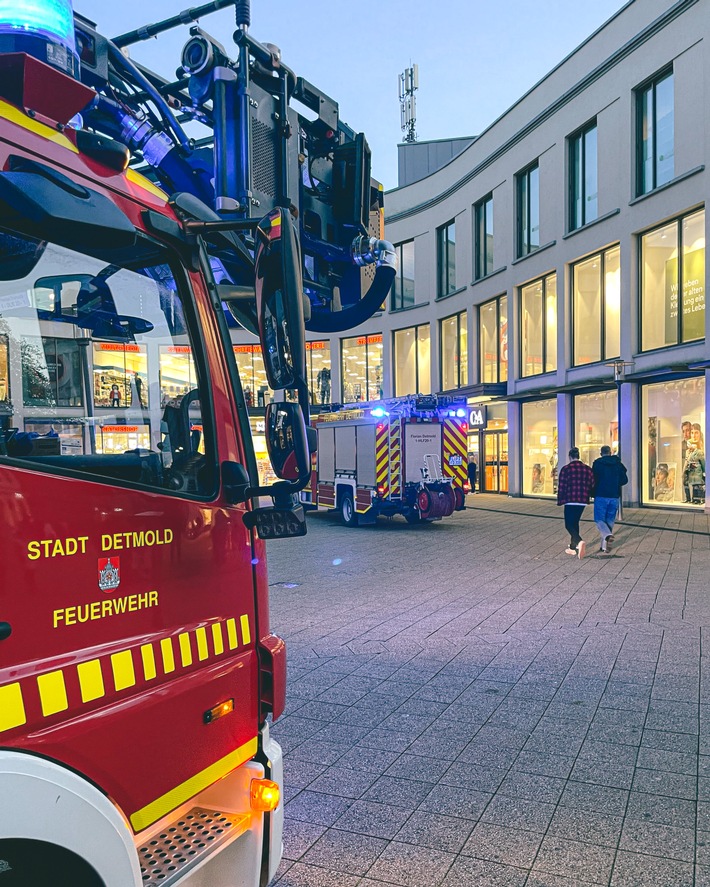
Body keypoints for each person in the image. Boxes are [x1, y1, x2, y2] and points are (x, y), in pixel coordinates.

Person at [557, 447, 595, 559]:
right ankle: (573, 548)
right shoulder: (587, 469)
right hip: (582, 500)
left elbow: (562, 486)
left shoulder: (566, 469)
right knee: (575, 522)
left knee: (568, 524)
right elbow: (592, 483)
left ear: (570, 457)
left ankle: (579, 542)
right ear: (579, 456)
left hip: (570, 499)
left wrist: (560, 500)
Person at [592, 445, 628, 553]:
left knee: (599, 519)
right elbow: (624, 479)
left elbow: (593, 479)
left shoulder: (597, 464)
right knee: (609, 520)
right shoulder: (617, 463)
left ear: (601, 453)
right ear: (610, 452)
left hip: (601, 495)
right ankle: (604, 546)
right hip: (614, 496)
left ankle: (607, 535)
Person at [683, 424, 705, 504]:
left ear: (700, 433)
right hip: (690, 471)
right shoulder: (689, 448)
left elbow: (703, 462)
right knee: (688, 484)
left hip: (698, 472)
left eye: (696, 433)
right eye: (692, 433)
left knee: (697, 485)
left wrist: (704, 472)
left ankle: (697, 499)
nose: (694, 435)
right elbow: (686, 461)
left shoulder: (702, 447)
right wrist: (683, 471)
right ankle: (689, 498)